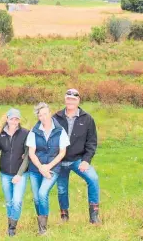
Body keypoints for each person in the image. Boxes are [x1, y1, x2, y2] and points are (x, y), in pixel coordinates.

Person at [53, 89, 100, 224]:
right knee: (62, 188)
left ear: (78, 100)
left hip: (78, 160)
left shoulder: (87, 119)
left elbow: (91, 142)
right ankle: (64, 216)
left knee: (93, 179)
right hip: (60, 161)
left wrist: (86, 160)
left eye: (73, 99)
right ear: (65, 99)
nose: (71, 101)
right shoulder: (56, 118)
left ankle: (94, 216)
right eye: (68, 99)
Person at [26, 102, 70, 235]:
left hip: (52, 169)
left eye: (45, 113)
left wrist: (48, 167)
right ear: (38, 117)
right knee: (36, 198)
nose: (43, 117)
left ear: (50, 113)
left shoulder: (60, 131)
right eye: (40, 115)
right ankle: (42, 224)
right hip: (35, 169)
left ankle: (43, 230)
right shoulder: (34, 131)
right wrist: (40, 167)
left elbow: (62, 153)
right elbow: (31, 153)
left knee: (42, 193)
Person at [0, 108, 30, 237]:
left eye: (16, 119)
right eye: (11, 119)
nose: (14, 121)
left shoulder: (25, 133)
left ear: (19, 120)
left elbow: (27, 156)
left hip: (20, 174)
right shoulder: (1, 134)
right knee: (9, 202)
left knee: (17, 201)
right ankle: (10, 225)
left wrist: (19, 174)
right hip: (5, 173)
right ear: (7, 119)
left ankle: (12, 228)